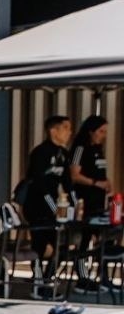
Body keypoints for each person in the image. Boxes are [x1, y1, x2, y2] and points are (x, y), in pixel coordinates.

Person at [19, 114, 72, 282]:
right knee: (39, 245)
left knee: (60, 246)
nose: (69, 132)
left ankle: (48, 278)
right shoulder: (40, 152)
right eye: (65, 128)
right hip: (35, 205)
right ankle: (38, 279)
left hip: (53, 205)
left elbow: (67, 183)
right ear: (53, 131)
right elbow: (39, 185)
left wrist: (74, 205)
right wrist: (54, 207)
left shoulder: (64, 153)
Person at [69, 115, 112, 292]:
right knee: (84, 238)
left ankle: (104, 276)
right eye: (101, 131)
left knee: (104, 236)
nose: (103, 135)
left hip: (99, 200)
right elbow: (74, 175)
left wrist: (106, 183)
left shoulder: (98, 149)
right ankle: (82, 277)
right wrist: (95, 183)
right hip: (84, 199)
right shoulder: (81, 148)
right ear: (91, 131)